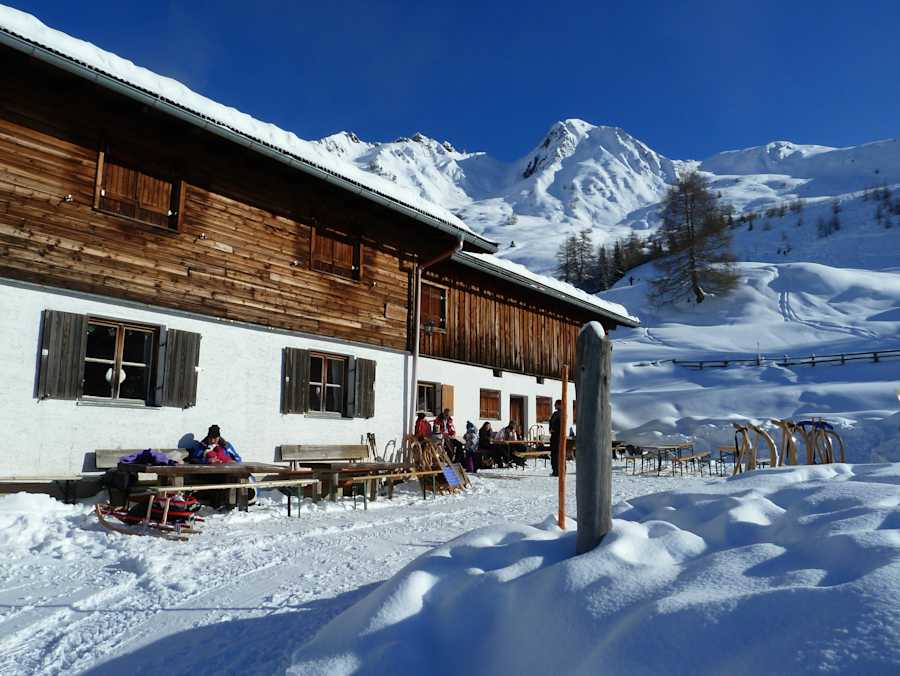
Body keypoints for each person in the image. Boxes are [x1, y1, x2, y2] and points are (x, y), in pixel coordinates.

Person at [549, 400, 562, 476]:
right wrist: (550, 428)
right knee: (553, 454)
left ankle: (559, 471)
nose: (554, 406)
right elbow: (550, 422)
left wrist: (555, 429)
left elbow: (561, 425)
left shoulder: (562, 414)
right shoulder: (555, 414)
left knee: (558, 454)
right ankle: (555, 470)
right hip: (553, 437)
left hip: (559, 437)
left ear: (559, 405)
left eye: (556, 405)